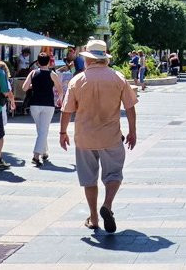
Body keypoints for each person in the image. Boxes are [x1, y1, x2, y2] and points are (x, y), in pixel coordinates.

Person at [60, 39, 137, 233]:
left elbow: (66, 110)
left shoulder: (77, 80)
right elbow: (130, 107)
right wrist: (132, 131)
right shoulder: (118, 78)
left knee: (89, 178)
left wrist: (63, 132)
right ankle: (108, 205)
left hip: (84, 137)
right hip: (111, 136)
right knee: (114, 174)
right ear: (105, 59)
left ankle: (94, 217)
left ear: (87, 59)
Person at [21, 52, 65, 166]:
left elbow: (24, 88)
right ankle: (36, 155)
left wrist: (33, 85)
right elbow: (60, 89)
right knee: (43, 130)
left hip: (35, 104)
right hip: (48, 104)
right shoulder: (52, 74)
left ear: (38, 62)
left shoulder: (33, 73)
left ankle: (44, 152)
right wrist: (60, 100)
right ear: (49, 62)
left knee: (41, 129)